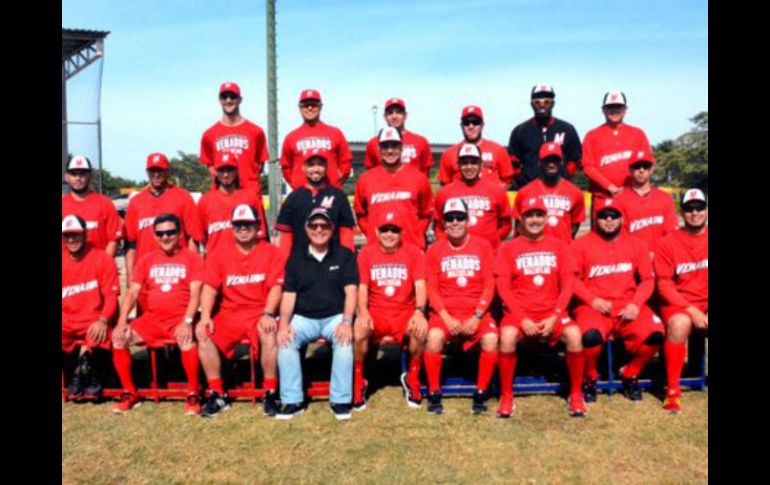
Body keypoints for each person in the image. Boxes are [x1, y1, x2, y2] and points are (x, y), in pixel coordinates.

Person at [495, 196, 586, 418]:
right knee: (507, 337)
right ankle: (506, 396)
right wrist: (522, 317)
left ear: (546, 218)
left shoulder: (560, 247)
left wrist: (555, 316)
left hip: (551, 313)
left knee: (574, 335)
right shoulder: (508, 248)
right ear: (521, 218)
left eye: (539, 215)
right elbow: (503, 288)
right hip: (520, 313)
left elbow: (568, 285)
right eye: (529, 215)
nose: (534, 220)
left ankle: (576, 394)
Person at [571, 198, 664, 403]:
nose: (609, 220)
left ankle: (631, 373)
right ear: (596, 218)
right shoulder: (581, 245)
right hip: (594, 306)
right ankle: (590, 378)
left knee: (656, 334)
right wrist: (591, 299)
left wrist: (636, 304)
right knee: (590, 337)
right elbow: (572, 278)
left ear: (622, 219)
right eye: (604, 216)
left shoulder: (636, 245)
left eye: (614, 216)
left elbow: (648, 279)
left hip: (627, 305)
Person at [111, 213, 205, 415]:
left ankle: (193, 393)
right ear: (154, 236)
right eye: (160, 233)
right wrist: (121, 321)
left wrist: (187, 321)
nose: (165, 237)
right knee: (119, 338)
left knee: (187, 339)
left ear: (179, 233)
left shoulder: (192, 259)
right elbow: (133, 292)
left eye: (170, 232)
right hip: (152, 320)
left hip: (180, 318)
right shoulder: (146, 260)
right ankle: (130, 392)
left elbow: (196, 294)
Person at [196, 205, 284, 417]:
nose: (243, 229)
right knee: (204, 334)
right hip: (230, 312)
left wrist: (268, 313)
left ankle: (270, 392)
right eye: (238, 225)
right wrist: (205, 316)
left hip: (259, 310)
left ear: (257, 226)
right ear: (232, 227)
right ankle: (217, 393)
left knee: (270, 332)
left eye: (248, 224)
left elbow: (276, 287)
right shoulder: (219, 253)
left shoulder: (272, 252)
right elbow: (209, 287)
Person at [276, 208, 359, 420]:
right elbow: (289, 295)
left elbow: (351, 292)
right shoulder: (295, 258)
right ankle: (293, 400)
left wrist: (347, 321)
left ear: (332, 228)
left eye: (324, 226)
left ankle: (340, 400)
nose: (319, 230)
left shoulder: (345, 255)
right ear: (306, 228)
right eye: (314, 226)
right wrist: (284, 323)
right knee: (286, 340)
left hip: (335, 317)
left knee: (344, 341)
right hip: (304, 318)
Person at [423, 198, 499, 415]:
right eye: (449, 218)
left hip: (476, 311)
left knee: (491, 339)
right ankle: (435, 393)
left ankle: (481, 391)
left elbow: (489, 285)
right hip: (445, 313)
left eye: (459, 218)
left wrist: (477, 316)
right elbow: (432, 289)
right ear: (443, 223)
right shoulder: (435, 250)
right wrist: (446, 318)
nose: (454, 222)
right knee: (434, 338)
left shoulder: (482, 246)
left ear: (468, 220)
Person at [353, 211, 428, 410]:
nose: (389, 234)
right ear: (376, 232)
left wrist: (419, 312)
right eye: (384, 229)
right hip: (377, 312)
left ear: (401, 232)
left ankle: (412, 378)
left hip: (404, 312)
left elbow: (420, 285)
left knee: (420, 330)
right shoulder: (366, 253)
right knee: (359, 331)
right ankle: (359, 381)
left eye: (394, 230)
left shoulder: (413, 252)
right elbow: (362, 287)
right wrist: (363, 312)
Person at [654, 189, 708, 413]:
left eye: (699, 208)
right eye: (689, 209)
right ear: (681, 213)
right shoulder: (668, 242)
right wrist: (691, 310)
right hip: (679, 303)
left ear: (706, 210)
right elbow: (664, 284)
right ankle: (673, 390)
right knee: (680, 324)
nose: (694, 213)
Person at [61, 215, 120, 401]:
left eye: (76, 235)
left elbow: (111, 297)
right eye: (67, 236)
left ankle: (88, 372)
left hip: (93, 319)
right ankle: (78, 372)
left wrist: (103, 320)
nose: (71, 240)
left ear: (85, 234)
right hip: (67, 321)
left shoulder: (102, 258)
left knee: (99, 333)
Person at [123, 153, 203, 283]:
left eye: (160, 170)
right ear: (147, 172)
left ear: (167, 171)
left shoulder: (183, 197)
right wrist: (130, 276)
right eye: (152, 170)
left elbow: (193, 238)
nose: (156, 174)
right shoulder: (136, 202)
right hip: (146, 273)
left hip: (177, 271)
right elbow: (130, 244)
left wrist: (193, 270)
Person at [354, 127, 434, 250]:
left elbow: (426, 213)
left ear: (402, 147)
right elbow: (360, 214)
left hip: (411, 249)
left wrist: (414, 232)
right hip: (378, 251)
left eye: (394, 145)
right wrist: (372, 234)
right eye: (385, 146)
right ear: (379, 149)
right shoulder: (365, 179)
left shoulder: (419, 178)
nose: (390, 150)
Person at [275, 150, 356, 257]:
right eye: (311, 165)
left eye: (320, 164)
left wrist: (348, 261)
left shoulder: (338, 196)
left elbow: (346, 234)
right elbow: (286, 237)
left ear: (326, 167)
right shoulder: (293, 198)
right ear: (303, 168)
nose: (316, 169)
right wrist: (284, 267)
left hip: (332, 261)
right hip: (301, 263)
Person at [581, 91, 653, 209]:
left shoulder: (638, 134)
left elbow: (648, 164)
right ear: (603, 109)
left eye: (619, 107)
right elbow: (587, 167)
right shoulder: (592, 135)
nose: (614, 110)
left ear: (625, 109)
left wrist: (629, 188)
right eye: (610, 107)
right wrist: (610, 187)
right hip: (603, 196)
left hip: (632, 195)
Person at [433, 143, 512, 249]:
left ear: (481, 164)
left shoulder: (497, 191)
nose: (469, 167)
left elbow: (506, 224)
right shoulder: (445, 193)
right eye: (465, 163)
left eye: (474, 162)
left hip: (489, 254)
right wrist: (447, 245)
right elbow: (438, 226)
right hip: (457, 253)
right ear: (458, 164)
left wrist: (493, 241)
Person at [199, 82, 271, 195]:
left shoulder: (256, 131)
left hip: (249, 193)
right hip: (222, 195)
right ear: (220, 100)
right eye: (224, 97)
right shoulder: (209, 134)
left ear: (240, 100)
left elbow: (260, 165)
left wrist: (247, 180)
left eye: (232, 96)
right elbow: (210, 165)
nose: (228, 100)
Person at [508, 84, 582, 189]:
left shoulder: (567, 129)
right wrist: (523, 182)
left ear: (553, 104)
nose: (542, 105)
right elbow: (513, 162)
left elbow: (576, 159)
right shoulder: (520, 131)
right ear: (531, 104)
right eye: (537, 102)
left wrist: (566, 177)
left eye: (547, 102)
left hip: (561, 190)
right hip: (530, 190)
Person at [197, 151, 268, 256]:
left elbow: (261, 235)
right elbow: (198, 238)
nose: (225, 175)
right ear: (216, 172)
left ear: (236, 171)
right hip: (215, 264)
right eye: (221, 170)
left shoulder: (251, 198)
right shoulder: (205, 201)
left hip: (245, 263)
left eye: (229, 170)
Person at [280, 89, 353, 190]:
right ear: (300, 108)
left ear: (320, 107)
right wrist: (297, 184)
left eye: (314, 104)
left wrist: (335, 182)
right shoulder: (291, 137)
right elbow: (286, 167)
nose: (310, 108)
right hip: (303, 195)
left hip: (330, 193)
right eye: (305, 105)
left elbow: (346, 163)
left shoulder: (335, 133)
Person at [512, 142, 585, 242]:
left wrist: (564, 240)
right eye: (547, 160)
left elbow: (575, 223)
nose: (551, 164)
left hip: (563, 250)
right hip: (535, 249)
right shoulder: (525, 192)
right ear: (539, 163)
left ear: (561, 162)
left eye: (555, 160)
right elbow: (519, 226)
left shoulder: (575, 192)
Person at [614, 149, 679, 256]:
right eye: (637, 166)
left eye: (645, 166)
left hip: (662, 257)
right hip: (633, 258)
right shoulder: (620, 200)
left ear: (652, 169)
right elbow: (620, 236)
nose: (641, 170)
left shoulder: (664, 198)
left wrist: (660, 253)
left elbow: (671, 233)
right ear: (630, 169)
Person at [61, 154, 123, 256]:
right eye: (73, 173)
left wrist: (103, 266)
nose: (78, 178)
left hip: (98, 269)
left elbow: (113, 240)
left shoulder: (105, 203)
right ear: (66, 177)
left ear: (90, 176)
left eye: (82, 173)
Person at [438, 106, 514, 188]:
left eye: (475, 122)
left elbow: (507, 180)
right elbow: (445, 184)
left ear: (482, 125)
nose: (471, 126)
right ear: (461, 126)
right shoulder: (449, 154)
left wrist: (492, 195)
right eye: (466, 123)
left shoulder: (498, 150)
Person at [364, 97, 433, 176]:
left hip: (412, 187)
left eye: (398, 112)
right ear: (384, 117)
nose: (394, 116)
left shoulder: (421, 141)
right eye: (390, 113)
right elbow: (371, 174)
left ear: (405, 116)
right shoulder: (373, 143)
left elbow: (425, 174)